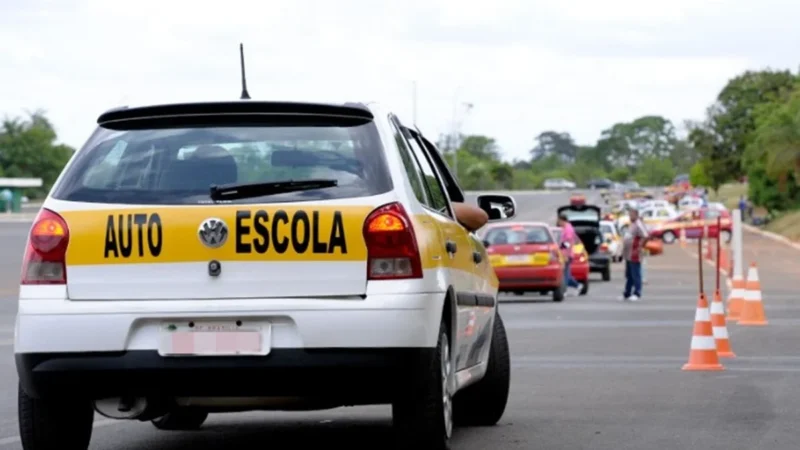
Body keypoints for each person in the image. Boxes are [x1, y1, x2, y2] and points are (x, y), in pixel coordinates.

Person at [621, 208, 650, 302]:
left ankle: (637, 293)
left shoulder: (638, 224)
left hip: (634, 253)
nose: (630, 217)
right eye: (629, 215)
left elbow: (646, 236)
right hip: (628, 254)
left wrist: (640, 247)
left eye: (631, 215)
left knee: (635, 274)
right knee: (629, 275)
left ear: (636, 215)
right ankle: (627, 293)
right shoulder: (632, 224)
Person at [556, 213, 584, 295]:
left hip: (567, 254)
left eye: (559, 221)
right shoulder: (566, 228)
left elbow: (568, 243)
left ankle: (564, 290)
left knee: (565, 274)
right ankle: (577, 285)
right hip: (565, 254)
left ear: (562, 220)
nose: (558, 222)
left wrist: (564, 252)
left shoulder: (568, 229)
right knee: (566, 273)